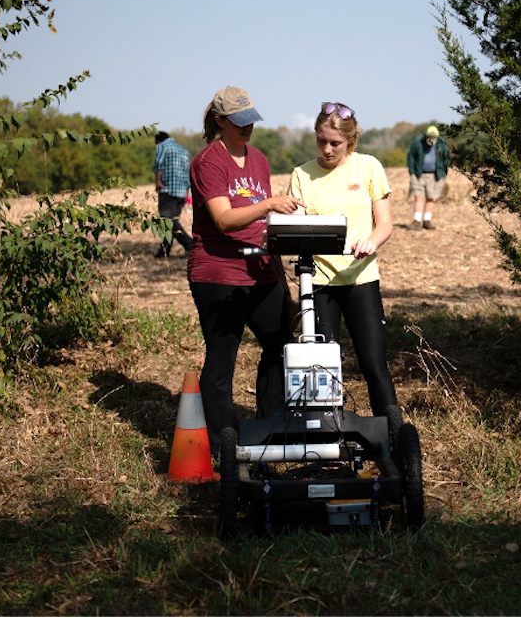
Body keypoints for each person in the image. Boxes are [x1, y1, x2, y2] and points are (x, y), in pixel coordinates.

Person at [187, 86, 305, 445]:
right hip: (218, 273)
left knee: (280, 342)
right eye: (239, 122)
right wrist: (269, 204)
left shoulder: (259, 160)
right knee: (223, 358)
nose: (247, 127)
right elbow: (224, 220)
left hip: (261, 269)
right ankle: (222, 440)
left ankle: (268, 429)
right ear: (220, 121)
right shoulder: (208, 162)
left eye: (251, 120)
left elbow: (260, 222)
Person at [286, 102, 399, 417]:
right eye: (321, 140)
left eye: (335, 143)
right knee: (323, 366)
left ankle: (389, 437)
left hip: (360, 278)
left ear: (350, 140)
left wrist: (370, 242)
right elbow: (295, 226)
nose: (327, 149)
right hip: (319, 283)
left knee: (373, 363)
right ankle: (326, 440)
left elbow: (385, 224)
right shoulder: (301, 175)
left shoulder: (368, 167)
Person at [153, 131, 194, 258]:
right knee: (170, 223)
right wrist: (186, 193)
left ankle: (191, 245)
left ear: (158, 140)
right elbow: (188, 172)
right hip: (181, 192)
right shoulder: (183, 150)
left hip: (168, 190)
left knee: (168, 220)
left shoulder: (162, 146)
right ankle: (163, 251)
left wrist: (158, 182)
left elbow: (159, 165)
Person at [406, 124, 451, 230]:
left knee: (430, 198)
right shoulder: (417, 141)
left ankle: (427, 221)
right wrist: (412, 173)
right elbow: (411, 157)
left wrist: (443, 173)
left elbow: (446, 159)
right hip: (419, 174)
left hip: (435, 175)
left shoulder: (442, 143)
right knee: (418, 197)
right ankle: (417, 221)